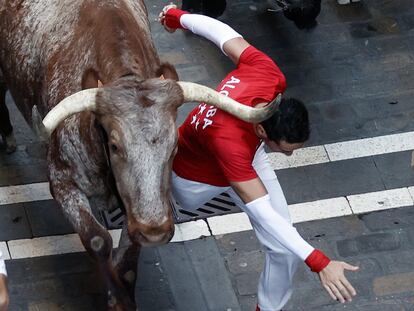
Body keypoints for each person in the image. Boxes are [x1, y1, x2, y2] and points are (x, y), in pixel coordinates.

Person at [159, 5, 359, 311]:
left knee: (284, 249)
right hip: (196, 182)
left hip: (244, 152)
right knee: (279, 231)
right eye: (286, 148)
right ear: (263, 131)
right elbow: (264, 213)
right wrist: (320, 262)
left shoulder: (268, 74)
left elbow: (223, 33)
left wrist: (177, 17)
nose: (290, 155)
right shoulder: (230, 142)